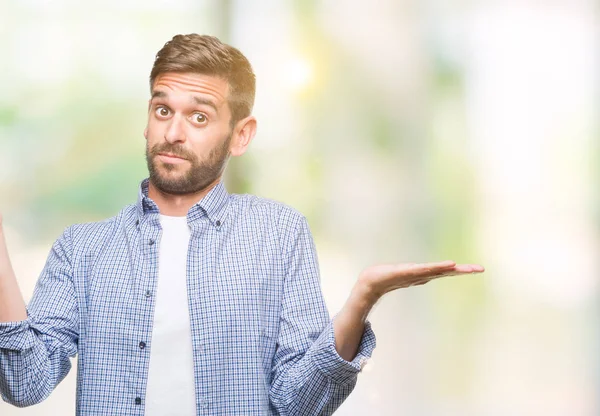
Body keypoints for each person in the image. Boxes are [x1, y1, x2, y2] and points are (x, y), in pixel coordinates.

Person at [0, 34, 484, 415]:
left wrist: (362, 299)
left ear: (241, 135)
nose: (173, 132)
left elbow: (300, 404)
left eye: (199, 116)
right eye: (163, 110)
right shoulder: (82, 249)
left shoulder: (279, 235)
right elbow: (24, 384)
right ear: (146, 119)